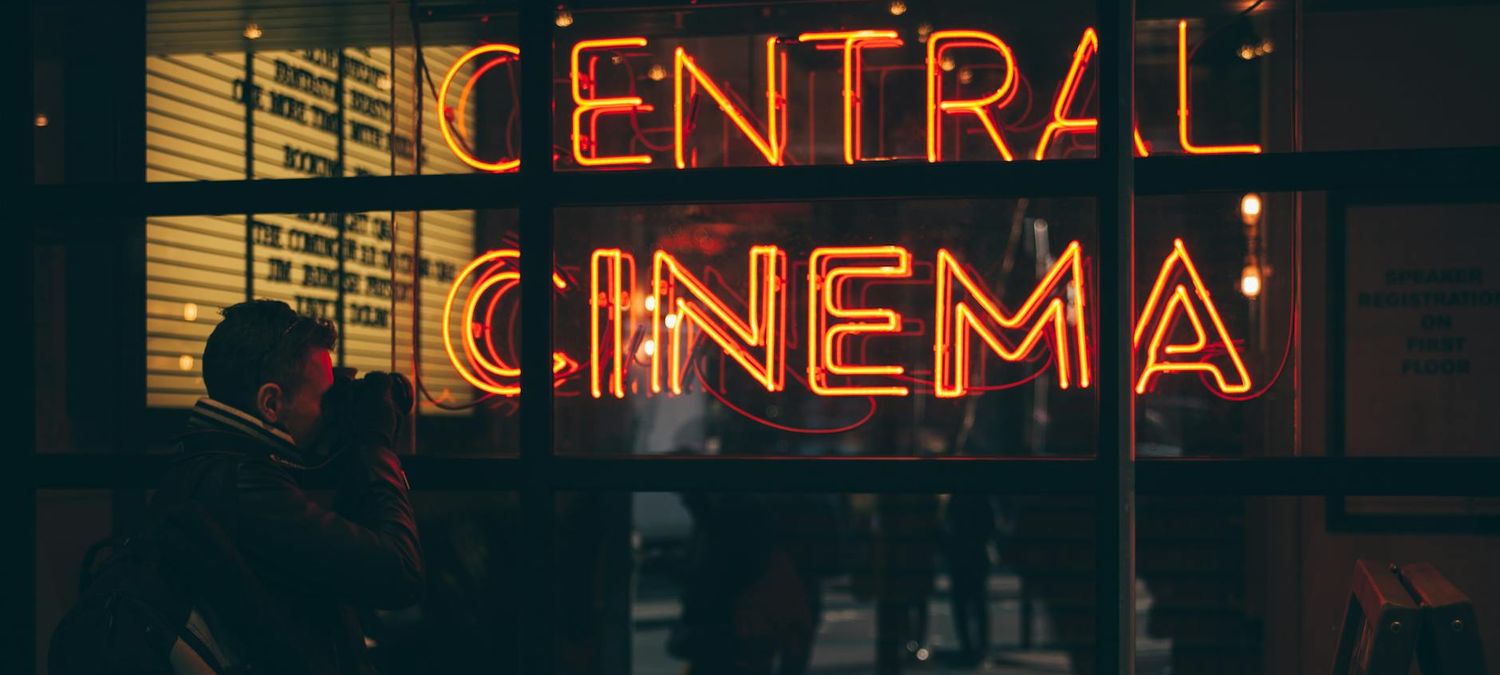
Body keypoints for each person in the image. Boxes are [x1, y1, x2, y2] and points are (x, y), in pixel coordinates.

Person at [148, 300, 423, 674]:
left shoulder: (203, 464)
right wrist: (376, 444)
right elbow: (399, 572)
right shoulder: (246, 487)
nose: (328, 413)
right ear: (271, 402)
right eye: (325, 399)